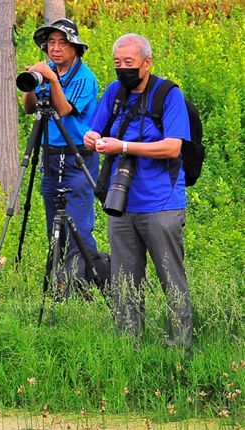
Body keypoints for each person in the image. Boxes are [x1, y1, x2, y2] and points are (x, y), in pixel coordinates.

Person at [83, 33, 193, 349]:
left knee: (171, 278)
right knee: (124, 283)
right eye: (118, 63)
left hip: (161, 203)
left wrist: (125, 146)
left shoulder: (168, 95)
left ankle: (181, 349)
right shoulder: (115, 92)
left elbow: (173, 147)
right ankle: (129, 347)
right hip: (121, 202)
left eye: (129, 63)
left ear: (147, 63)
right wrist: (92, 138)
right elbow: (95, 128)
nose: (122, 69)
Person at [21, 18, 100, 254]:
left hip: (78, 157)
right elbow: (29, 109)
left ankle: (83, 279)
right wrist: (31, 84)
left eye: (62, 43)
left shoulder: (84, 78)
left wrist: (51, 79)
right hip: (51, 157)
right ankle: (59, 281)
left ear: (75, 47)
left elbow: (64, 110)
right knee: (53, 225)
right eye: (51, 43)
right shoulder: (49, 72)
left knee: (78, 225)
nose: (55, 48)